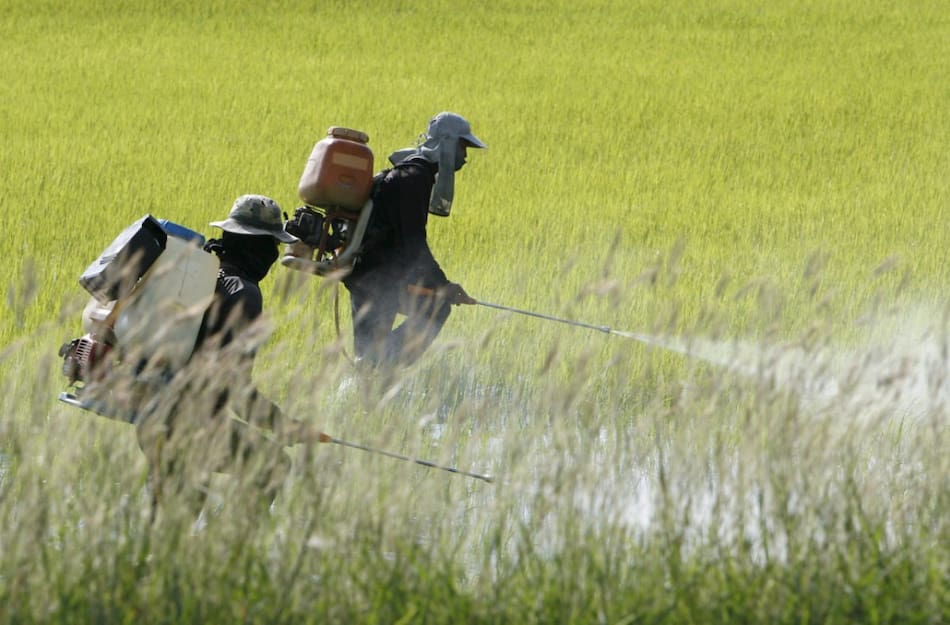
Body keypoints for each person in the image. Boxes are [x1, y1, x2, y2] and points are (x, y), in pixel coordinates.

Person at [135, 194, 304, 520]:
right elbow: (235, 386)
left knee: (176, 510)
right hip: (190, 427)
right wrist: (281, 425)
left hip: (151, 418)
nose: (273, 255)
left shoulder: (195, 275)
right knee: (273, 464)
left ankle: (158, 562)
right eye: (272, 245)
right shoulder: (244, 293)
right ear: (257, 247)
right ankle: (234, 552)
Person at [341, 112, 487, 369]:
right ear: (447, 142)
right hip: (381, 281)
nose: (465, 157)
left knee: (365, 359)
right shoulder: (415, 179)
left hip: (363, 275)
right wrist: (444, 286)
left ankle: (364, 387)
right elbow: (413, 244)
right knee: (437, 307)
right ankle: (379, 369)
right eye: (463, 147)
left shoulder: (409, 173)